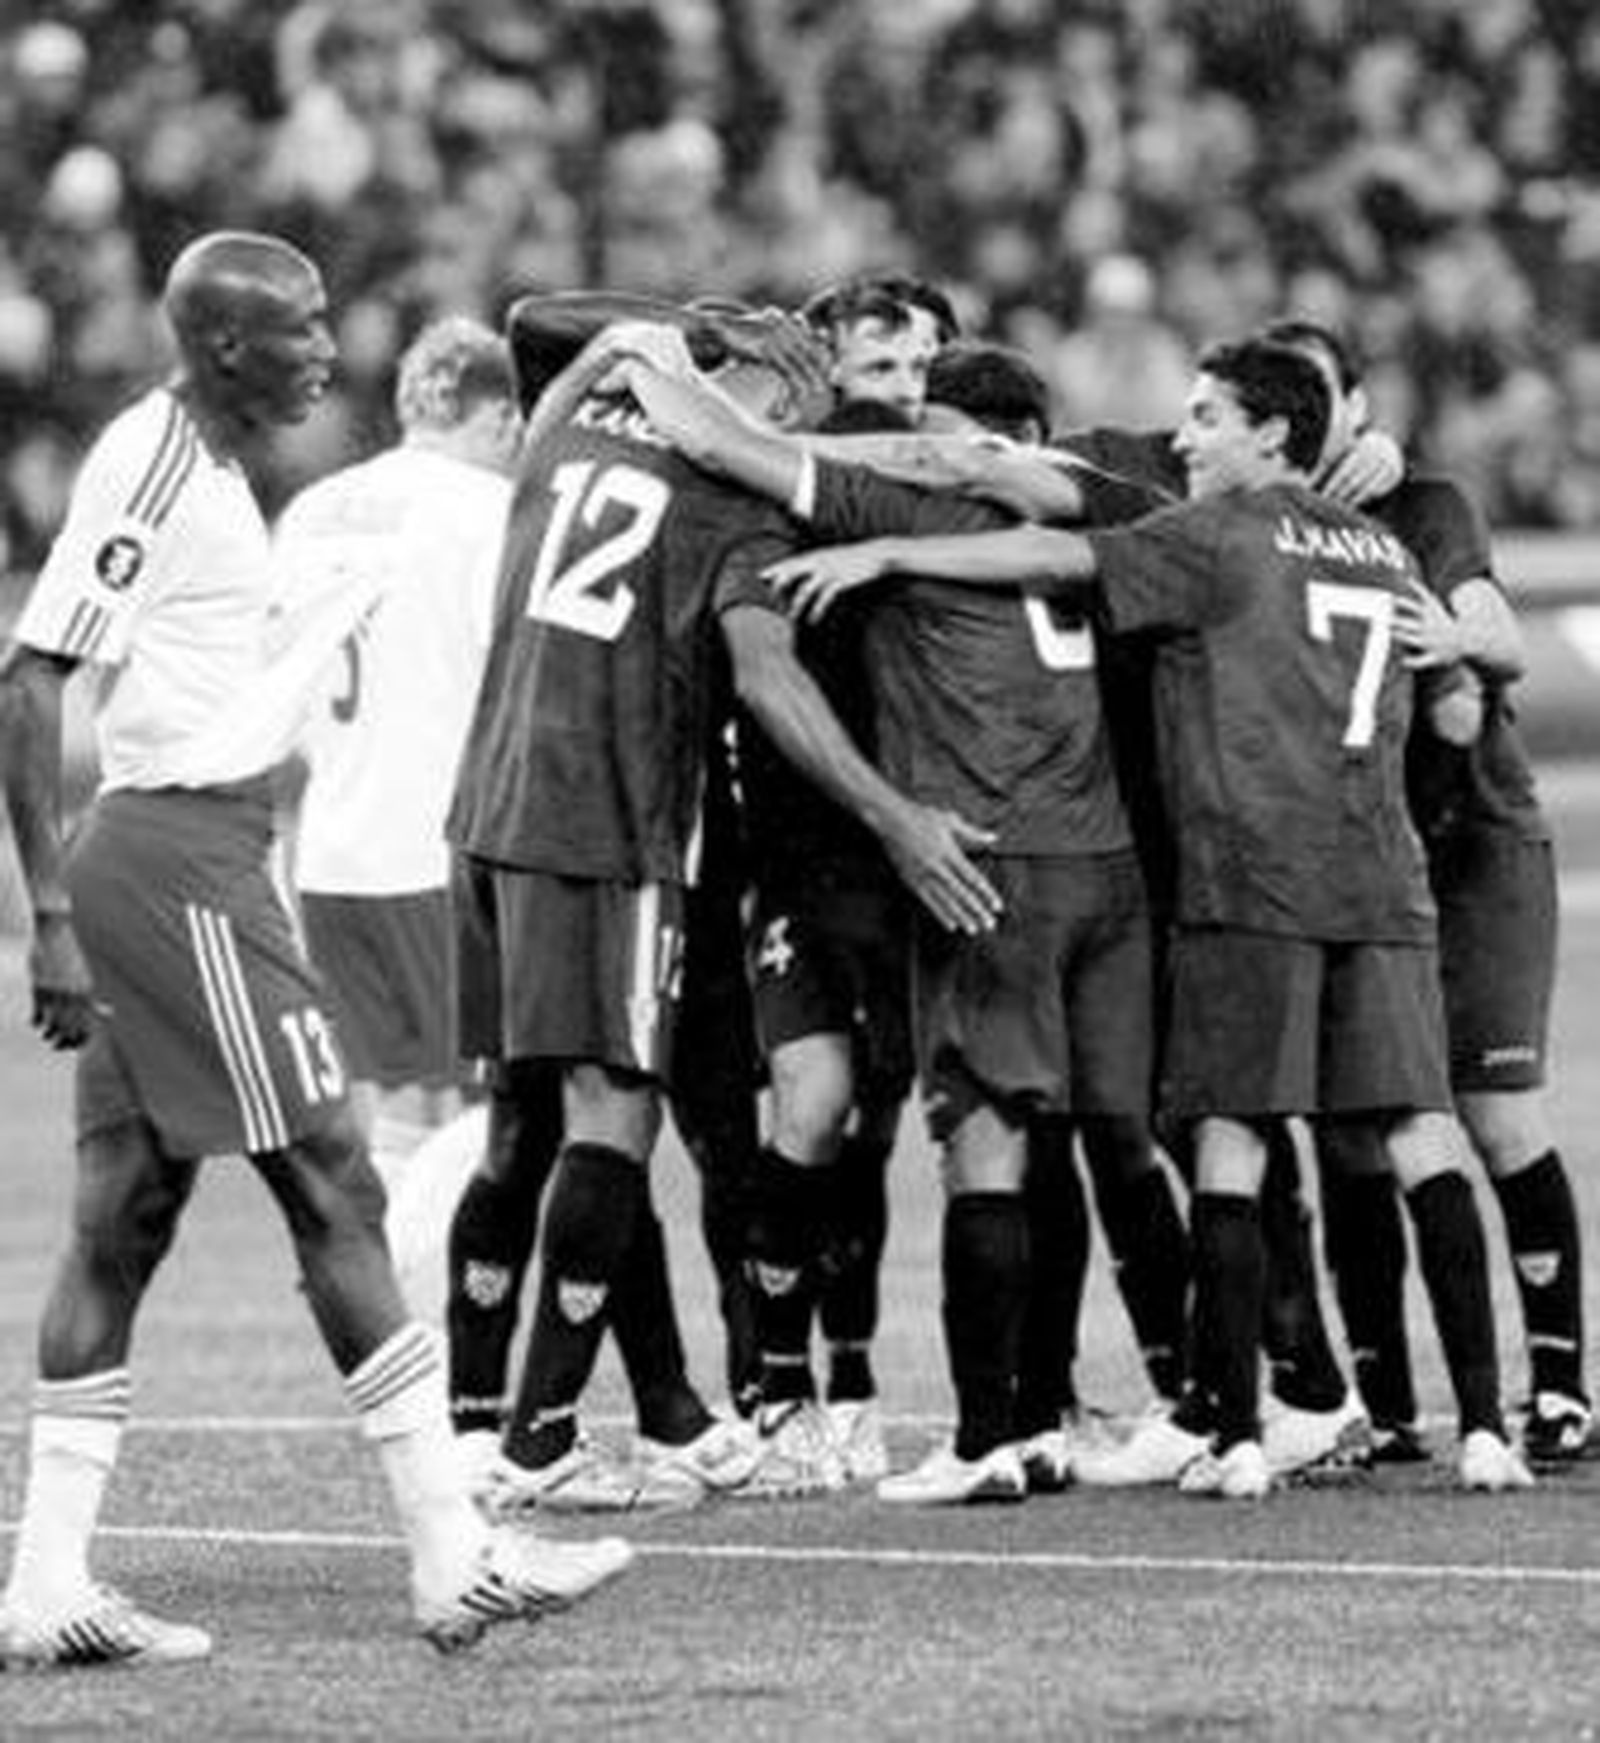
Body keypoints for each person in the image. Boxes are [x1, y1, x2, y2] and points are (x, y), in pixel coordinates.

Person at [0, 231, 631, 1668]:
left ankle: (44, 1579)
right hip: (178, 869)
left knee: (125, 1214)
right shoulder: (154, 462)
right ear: (224, 344)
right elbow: (31, 681)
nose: (326, 349)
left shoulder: (221, 474)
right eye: (301, 326)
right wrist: (45, 914)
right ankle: (452, 1549)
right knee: (335, 1177)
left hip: (200, 854)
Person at [764, 337, 1534, 1497]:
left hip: (1249, 883)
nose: (1184, 438)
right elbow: (1462, 717)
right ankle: (1482, 1427)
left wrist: (884, 548)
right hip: (1382, 883)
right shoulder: (1378, 543)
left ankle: (1227, 1435)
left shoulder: (1214, 534)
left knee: (1225, 1144)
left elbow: (1056, 553)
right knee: (1415, 1133)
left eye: (1207, 418)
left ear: (1271, 433)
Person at [445, 319, 1001, 1515]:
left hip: (485, 812)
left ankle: (662, 1418)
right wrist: (898, 816)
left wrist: (638, 344)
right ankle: (536, 1446)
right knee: (615, 1117)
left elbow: (549, 321)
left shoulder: (563, 434)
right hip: (607, 821)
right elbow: (768, 677)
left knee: (555, 1114)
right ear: (780, 399)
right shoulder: (730, 503)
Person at [616, 337, 1166, 1505]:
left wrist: (635, 364)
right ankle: (1192, 1413)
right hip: (1056, 865)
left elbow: (715, 439)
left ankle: (991, 1430)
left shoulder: (880, 497)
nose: (905, 412)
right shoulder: (1111, 506)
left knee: (986, 1145)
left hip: (967, 856)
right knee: (1059, 1133)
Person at [1265, 317, 1593, 1467]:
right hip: (1353, 860)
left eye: (1326, 394)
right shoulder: (1252, 522)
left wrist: (1440, 627)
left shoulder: (1427, 506)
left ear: (1355, 405)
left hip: (1473, 850)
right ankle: (1388, 1405)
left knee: (1493, 1114)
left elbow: (1493, 648)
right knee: (1356, 1133)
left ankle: (1559, 1386)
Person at [276, 315, 521, 1186]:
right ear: (498, 418)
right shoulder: (489, 512)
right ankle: (423, 1312)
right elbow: (517, 683)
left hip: (332, 846)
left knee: (394, 1104)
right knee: (482, 1113)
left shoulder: (314, 509)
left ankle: (384, 1310)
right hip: (438, 844)